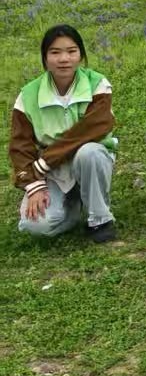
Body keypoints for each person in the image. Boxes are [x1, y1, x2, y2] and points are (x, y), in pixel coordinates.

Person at [9, 25, 117, 242]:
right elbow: (20, 146)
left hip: (87, 160)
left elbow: (96, 126)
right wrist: (33, 185)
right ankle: (74, 208)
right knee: (34, 225)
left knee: (89, 152)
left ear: (81, 55)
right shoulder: (28, 95)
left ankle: (100, 218)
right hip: (53, 171)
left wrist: (44, 162)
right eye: (55, 52)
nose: (64, 59)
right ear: (45, 58)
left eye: (71, 51)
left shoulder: (97, 84)